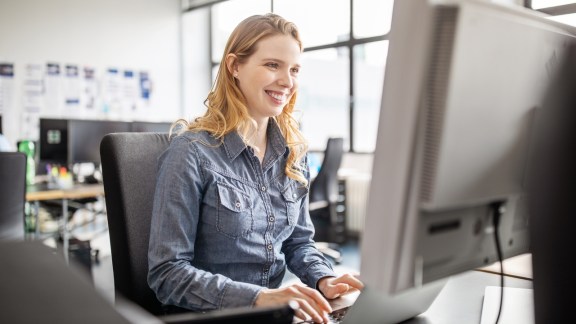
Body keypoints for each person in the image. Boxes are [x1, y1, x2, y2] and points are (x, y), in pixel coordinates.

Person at [147, 13, 363, 323]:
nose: (287, 81)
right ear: (235, 66)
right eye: (272, 65)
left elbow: (299, 243)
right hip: (209, 316)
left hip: (274, 316)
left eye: (294, 70)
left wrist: (324, 280)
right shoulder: (191, 153)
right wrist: (259, 298)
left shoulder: (293, 153)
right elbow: (167, 274)